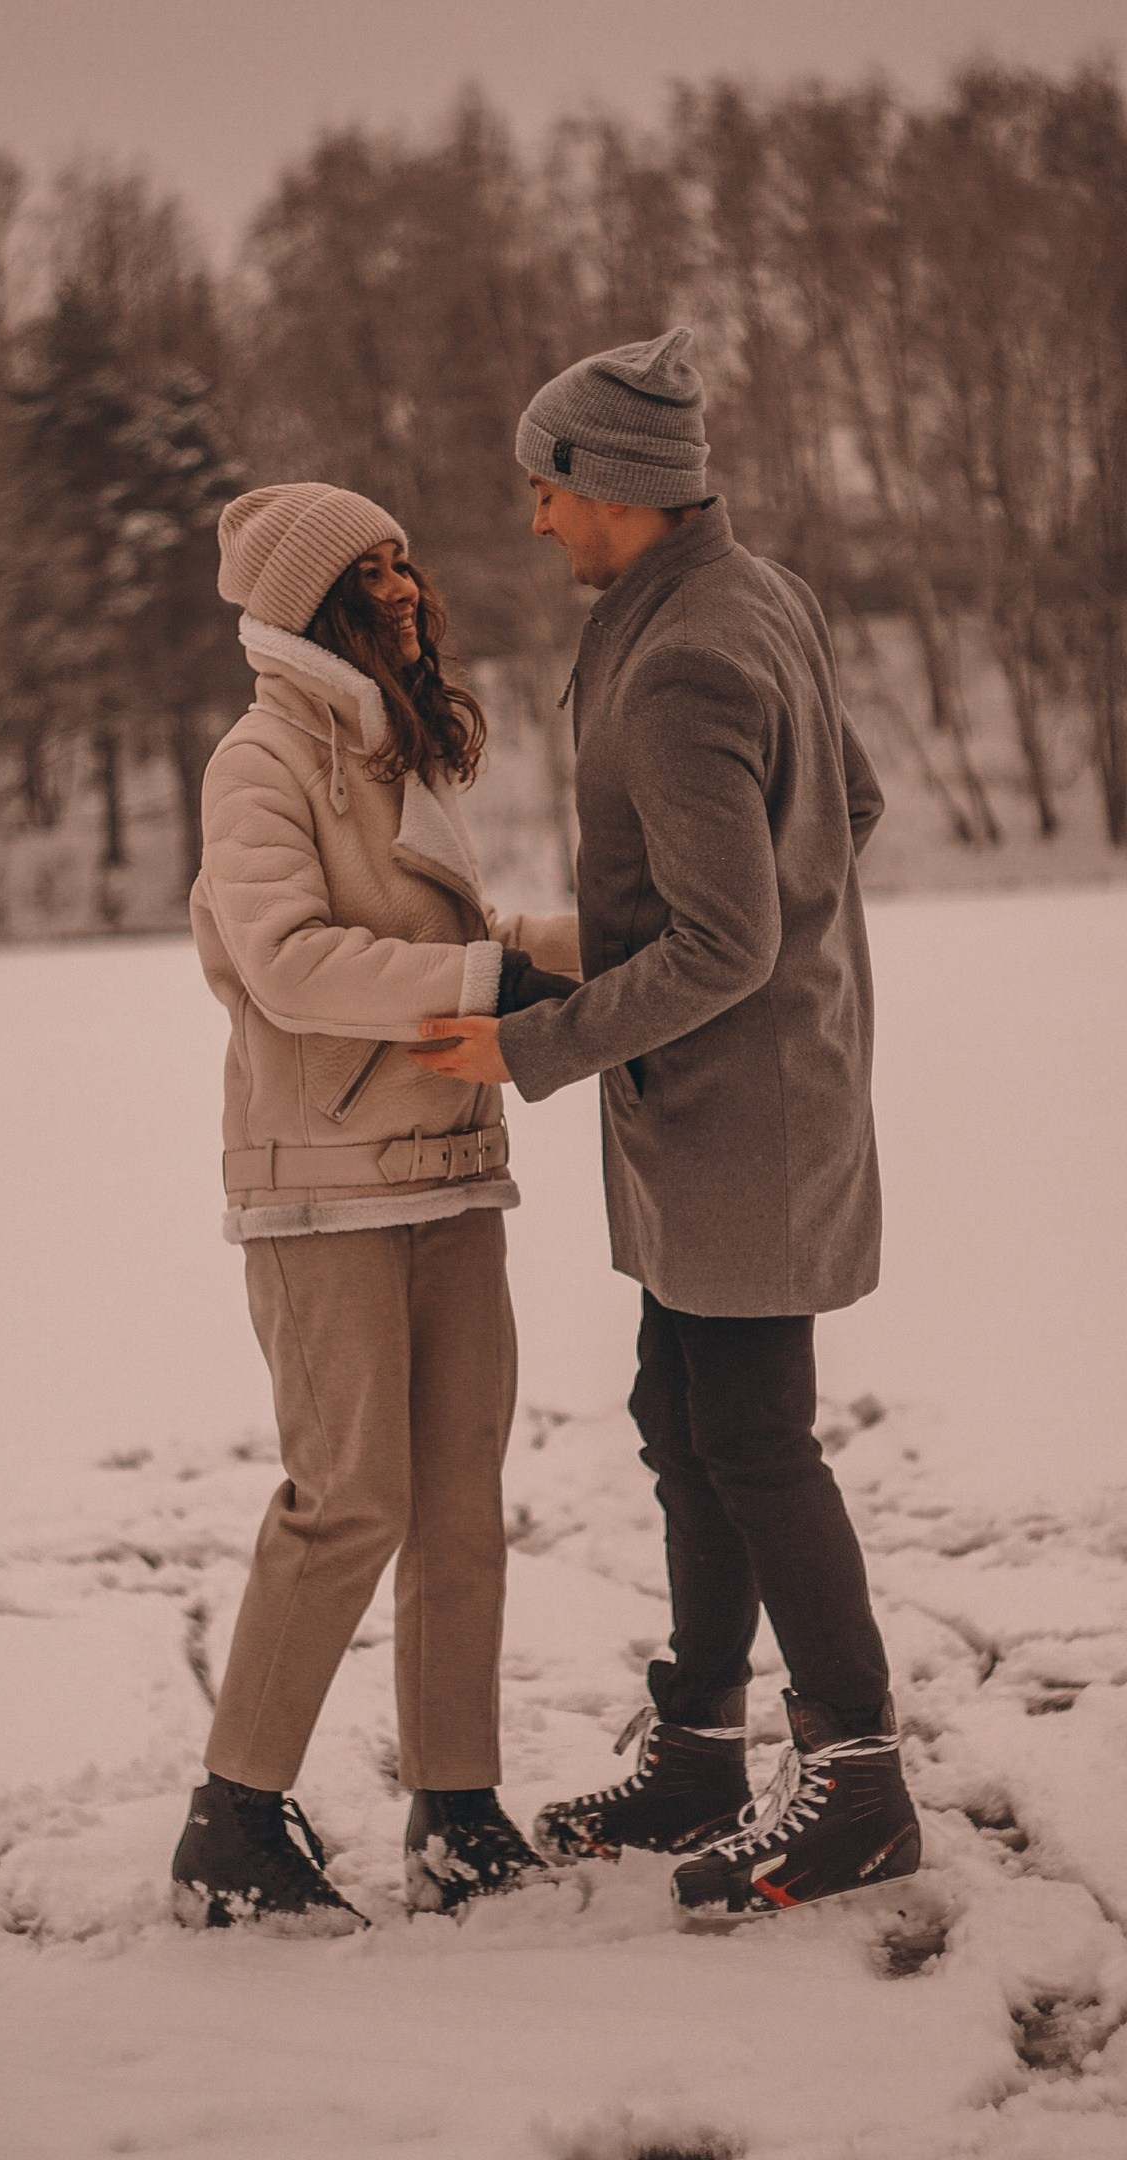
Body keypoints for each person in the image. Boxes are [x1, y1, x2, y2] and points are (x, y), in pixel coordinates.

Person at [412, 328, 921, 1925]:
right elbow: (845, 808)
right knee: (678, 1414)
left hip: (740, 1120)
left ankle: (861, 1782)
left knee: (755, 1438)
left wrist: (534, 1046)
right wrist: (607, 932)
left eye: (548, 491)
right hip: (722, 1106)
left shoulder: (691, 648)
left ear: (615, 494)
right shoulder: (744, 594)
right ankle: (701, 1742)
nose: (537, 521)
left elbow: (730, 941)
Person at [171, 481, 578, 1931]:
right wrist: (484, 983)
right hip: (322, 1185)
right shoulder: (262, 758)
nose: (405, 587)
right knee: (352, 1501)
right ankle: (232, 1820)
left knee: (461, 1501)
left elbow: (448, 938)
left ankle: (456, 1808)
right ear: (308, 604)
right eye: (371, 569)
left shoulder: (398, 748)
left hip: (452, 1166)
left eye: (408, 558)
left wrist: (588, 946)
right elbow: (290, 961)